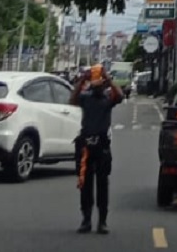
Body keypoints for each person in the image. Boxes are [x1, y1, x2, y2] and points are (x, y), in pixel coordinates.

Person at [70, 64, 123, 234]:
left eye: (101, 84)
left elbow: (120, 96)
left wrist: (108, 79)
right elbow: (73, 99)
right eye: (97, 83)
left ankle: (102, 221)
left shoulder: (108, 99)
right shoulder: (86, 97)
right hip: (86, 145)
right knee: (85, 184)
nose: (99, 86)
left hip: (102, 146)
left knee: (102, 184)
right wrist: (83, 79)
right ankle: (86, 220)